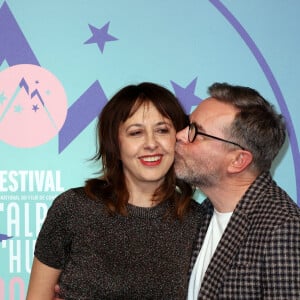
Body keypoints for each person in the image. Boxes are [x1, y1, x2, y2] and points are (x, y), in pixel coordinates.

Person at [26, 82, 203, 300]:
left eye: (162, 130)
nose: (151, 143)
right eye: (136, 132)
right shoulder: (73, 208)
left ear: (178, 139)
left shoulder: (198, 222)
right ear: (115, 145)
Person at [175, 82, 300, 299]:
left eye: (196, 131)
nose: (179, 135)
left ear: (238, 160)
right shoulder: (199, 215)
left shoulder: (284, 229)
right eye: (187, 125)